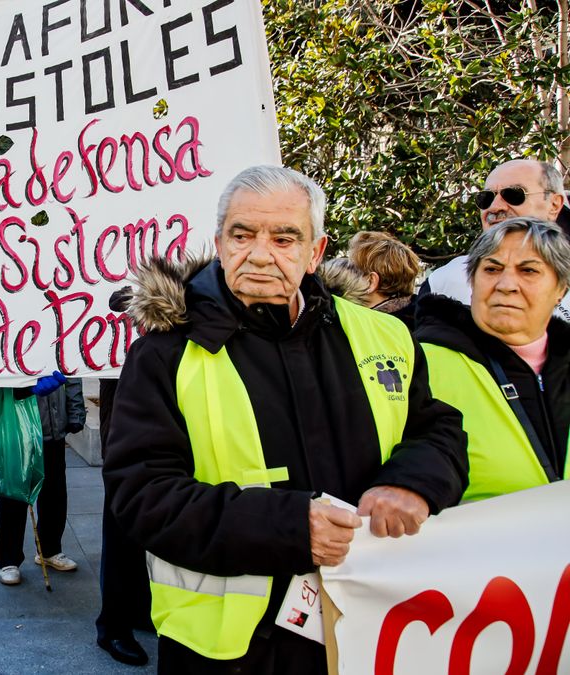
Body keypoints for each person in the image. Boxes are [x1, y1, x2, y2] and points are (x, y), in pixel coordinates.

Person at [104, 165, 469, 674]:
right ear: (219, 241)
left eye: (283, 237)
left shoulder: (383, 335)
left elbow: (438, 429)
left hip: (368, 628)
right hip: (225, 652)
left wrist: (414, 484)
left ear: (315, 252)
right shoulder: (164, 354)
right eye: (242, 234)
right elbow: (142, 495)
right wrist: (290, 528)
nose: (259, 253)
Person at [415, 217, 569, 502]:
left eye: (529, 271)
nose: (506, 284)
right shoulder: (419, 362)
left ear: (561, 288)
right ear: (472, 282)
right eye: (492, 269)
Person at [423, 159, 570, 321]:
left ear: (554, 205)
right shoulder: (446, 279)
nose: (494, 207)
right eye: (486, 197)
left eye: (514, 195)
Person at [94, 288, 152, 667]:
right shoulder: (131, 287)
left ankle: (141, 608)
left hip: (173, 433)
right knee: (122, 530)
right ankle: (113, 625)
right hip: (127, 437)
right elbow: (113, 300)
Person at [0, 375, 85, 586]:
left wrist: (75, 410)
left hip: (53, 429)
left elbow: (71, 373)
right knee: (13, 496)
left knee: (55, 492)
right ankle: (8, 559)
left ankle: (50, 549)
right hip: (18, 427)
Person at [347, 231, 422, 326]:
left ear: (371, 281)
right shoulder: (423, 318)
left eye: (350, 270)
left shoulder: (374, 327)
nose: (346, 276)